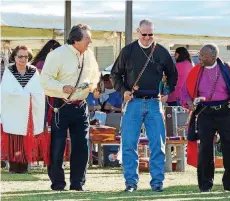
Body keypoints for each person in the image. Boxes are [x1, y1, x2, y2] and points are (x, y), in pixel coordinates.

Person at [111, 19, 177, 192]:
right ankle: (130, 183)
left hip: (155, 102)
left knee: (158, 145)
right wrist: (124, 91)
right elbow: (115, 75)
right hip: (133, 102)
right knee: (129, 144)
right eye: (144, 34)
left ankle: (157, 183)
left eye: (151, 34)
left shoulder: (162, 52)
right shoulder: (128, 51)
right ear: (137, 32)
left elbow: (173, 75)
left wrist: (167, 91)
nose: (147, 38)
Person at [40, 24, 100, 191]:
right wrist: (62, 88)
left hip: (81, 106)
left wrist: (93, 86)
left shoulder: (89, 55)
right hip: (60, 105)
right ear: (76, 40)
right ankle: (58, 184)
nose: (90, 41)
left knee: (82, 146)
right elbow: (44, 81)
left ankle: (78, 184)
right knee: (57, 146)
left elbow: (95, 74)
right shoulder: (57, 55)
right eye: (87, 38)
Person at [181, 44, 230, 192]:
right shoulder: (196, 70)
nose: (200, 57)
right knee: (205, 149)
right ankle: (205, 185)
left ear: (214, 56)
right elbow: (184, 90)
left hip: (226, 111)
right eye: (200, 54)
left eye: (203, 55)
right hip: (205, 112)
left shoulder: (227, 69)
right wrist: (189, 102)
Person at [1, 45, 45, 173]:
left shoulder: (33, 71)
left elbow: (38, 91)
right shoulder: (9, 70)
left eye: (26, 57)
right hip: (13, 111)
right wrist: (22, 95)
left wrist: (25, 95)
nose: (23, 59)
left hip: (28, 112)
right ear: (14, 57)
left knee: (26, 140)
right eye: (20, 56)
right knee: (13, 139)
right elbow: (5, 91)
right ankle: (14, 167)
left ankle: (24, 167)